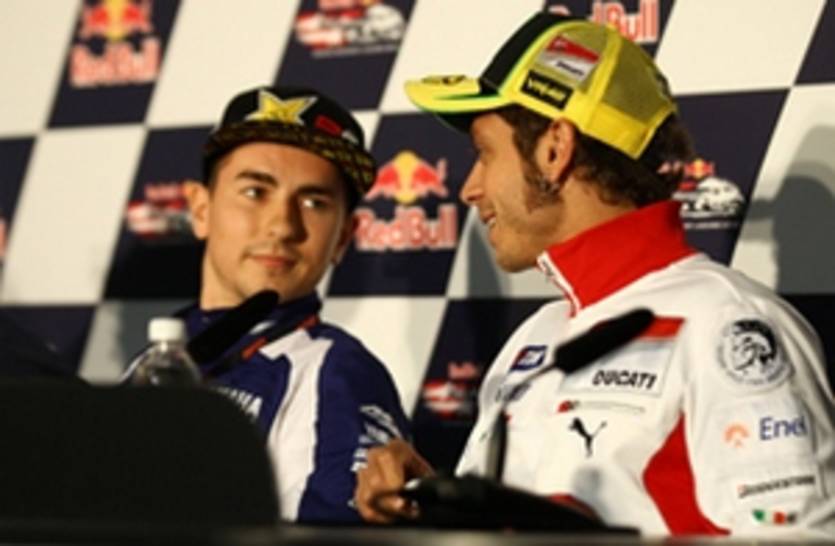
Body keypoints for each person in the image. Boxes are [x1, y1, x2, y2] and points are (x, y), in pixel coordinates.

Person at [355, 12, 835, 536]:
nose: (470, 188)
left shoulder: (728, 323)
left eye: (484, 154)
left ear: (555, 149)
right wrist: (430, 501)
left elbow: (797, 537)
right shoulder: (534, 338)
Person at [182, 85, 409, 523]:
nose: (283, 226)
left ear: (343, 237)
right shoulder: (156, 361)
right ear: (201, 209)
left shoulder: (337, 375)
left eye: (313, 202)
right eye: (255, 192)